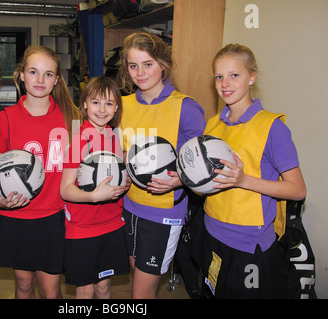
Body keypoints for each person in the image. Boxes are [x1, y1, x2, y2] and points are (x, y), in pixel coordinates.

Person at [197, 43, 306, 298]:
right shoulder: (213, 124)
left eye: (235, 75)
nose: (225, 83)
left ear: (251, 77)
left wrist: (243, 180)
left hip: (249, 245)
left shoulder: (272, 127)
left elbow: (298, 190)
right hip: (212, 232)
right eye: (219, 76)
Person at [0, 45, 81, 299]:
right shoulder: (4, 118)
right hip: (17, 213)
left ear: (57, 80)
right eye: (33, 72)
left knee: (50, 290)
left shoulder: (71, 117)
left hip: (54, 215)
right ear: (21, 75)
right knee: (24, 282)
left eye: (48, 74)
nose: (40, 80)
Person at [117, 32, 206, 298]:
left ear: (162, 65)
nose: (140, 73)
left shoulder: (186, 107)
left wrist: (180, 179)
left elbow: (202, 163)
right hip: (128, 206)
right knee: (139, 281)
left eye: (148, 64)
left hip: (163, 212)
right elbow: (122, 153)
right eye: (133, 66)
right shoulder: (123, 105)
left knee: (140, 293)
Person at [60, 76, 130, 299]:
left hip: (111, 223)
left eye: (109, 103)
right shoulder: (79, 139)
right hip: (83, 227)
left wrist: (124, 182)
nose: (102, 109)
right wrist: (94, 196)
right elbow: (65, 189)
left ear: (116, 107)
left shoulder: (114, 137)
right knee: (86, 289)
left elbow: (114, 176)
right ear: (84, 104)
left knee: (103, 287)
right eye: (96, 102)